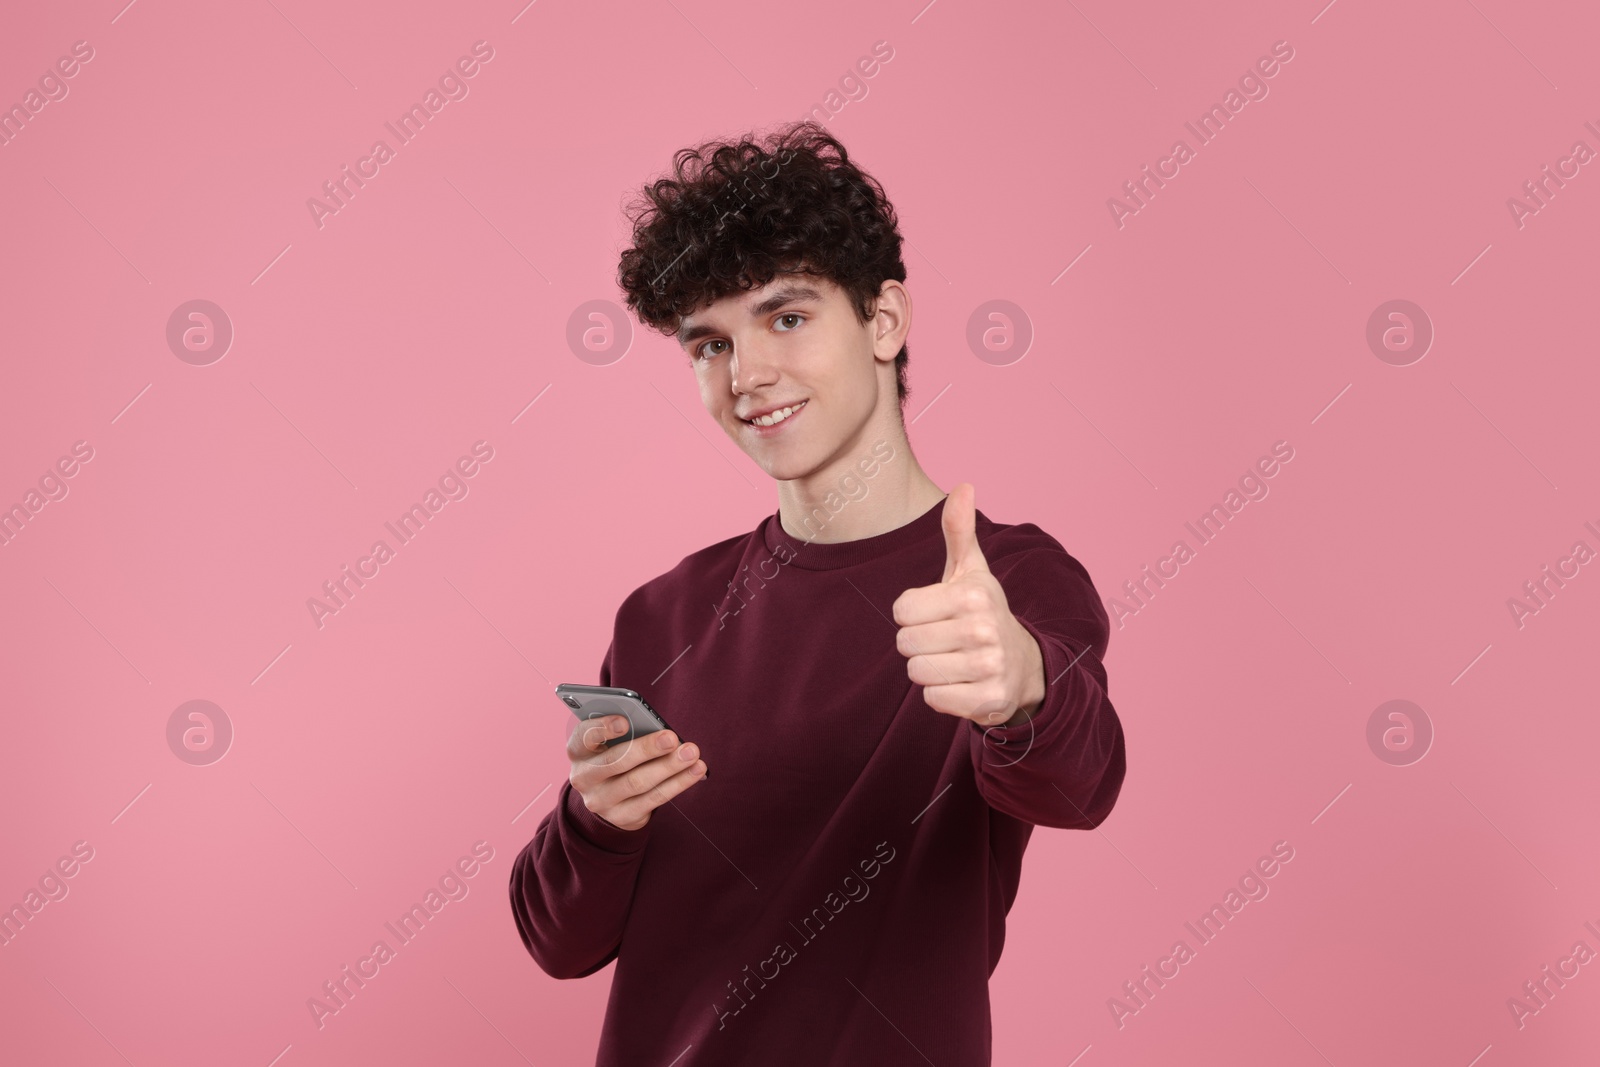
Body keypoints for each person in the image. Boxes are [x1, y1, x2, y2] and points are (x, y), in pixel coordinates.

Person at [509, 120, 1126, 1065]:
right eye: (708, 344)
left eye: (786, 318)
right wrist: (597, 816)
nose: (748, 376)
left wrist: (1023, 688)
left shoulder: (1005, 582)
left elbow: (1081, 783)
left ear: (883, 321)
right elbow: (561, 942)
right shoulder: (661, 615)